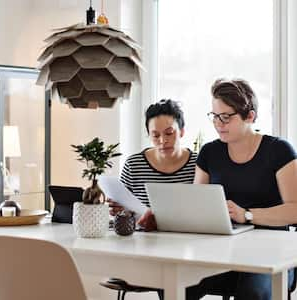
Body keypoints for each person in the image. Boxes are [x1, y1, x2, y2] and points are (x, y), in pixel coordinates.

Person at [188, 78, 297, 300]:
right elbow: (196, 206)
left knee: (254, 293)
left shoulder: (279, 151)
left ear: (250, 116)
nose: (219, 124)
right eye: (214, 116)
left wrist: (247, 215)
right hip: (223, 252)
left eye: (226, 117)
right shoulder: (209, 153)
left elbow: (295, 210)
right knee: (175, 281)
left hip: (272, 253)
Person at [109, 99, 198, 230]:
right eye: (155, 135)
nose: (163, 141)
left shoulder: (198, 163)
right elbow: (123, 213)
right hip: (143, 241)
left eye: (169, 133)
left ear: (182, 131)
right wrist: (118, 210)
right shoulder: (134, 165)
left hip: (186, 239)